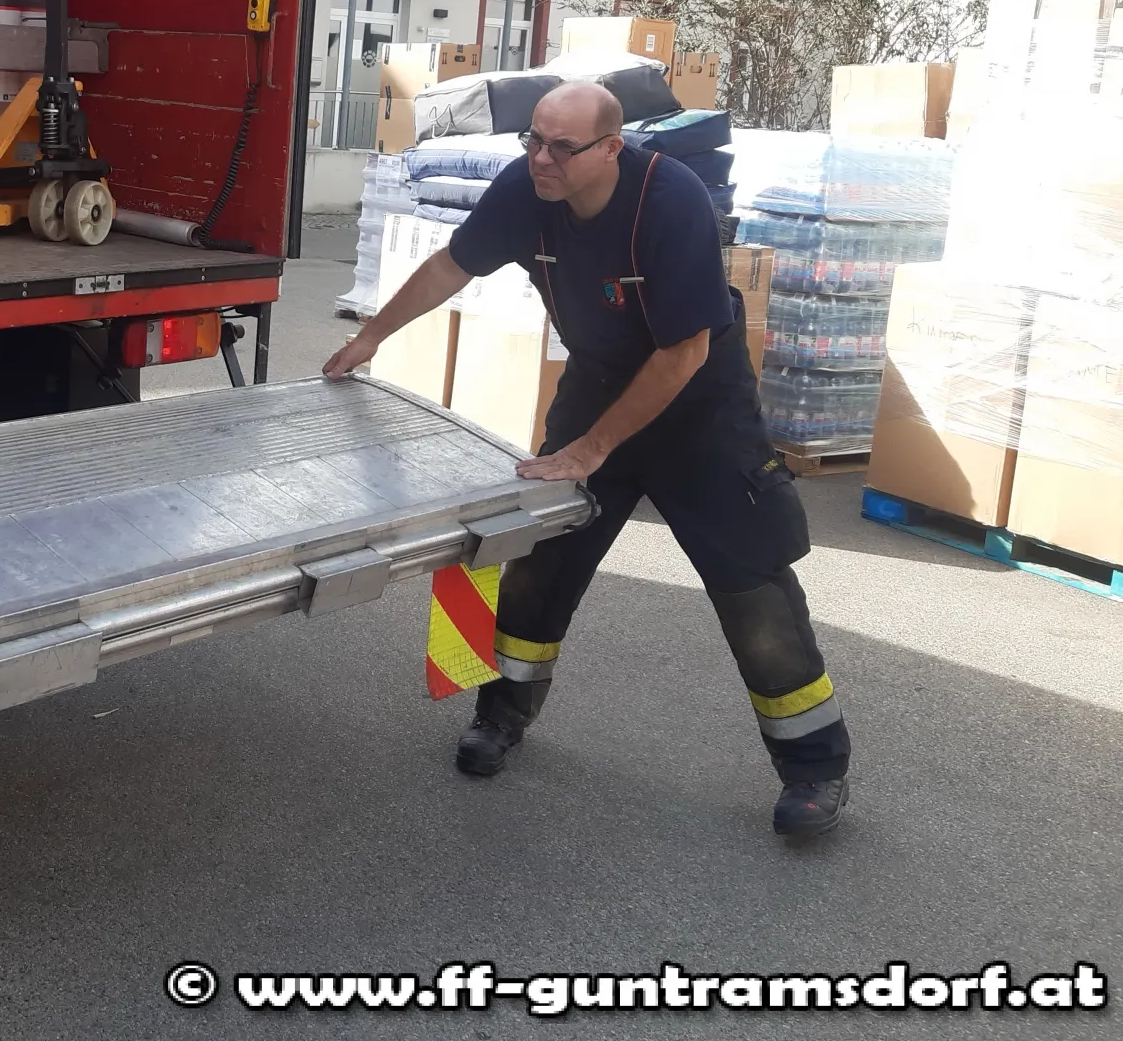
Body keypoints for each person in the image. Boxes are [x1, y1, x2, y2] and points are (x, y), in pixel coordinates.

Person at [324, 82, 851, 838]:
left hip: (700, 409)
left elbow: (685, 352)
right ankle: (501, 713)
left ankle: (814, 766)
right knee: (542, 560)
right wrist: (370, 337)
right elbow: (451, 266)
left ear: (611, 149)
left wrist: (593, 449)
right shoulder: (528, 189)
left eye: (561, 147)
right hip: (597, 388)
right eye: (534, 140)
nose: (541, 159)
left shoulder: (670, 202)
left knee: (752, 587)